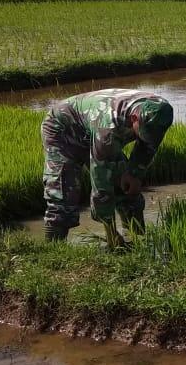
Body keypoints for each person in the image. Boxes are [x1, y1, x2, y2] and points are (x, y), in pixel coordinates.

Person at [41, 89, 173, 250]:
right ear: (134, 119)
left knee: (126, 189)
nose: (148, 137)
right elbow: (101, 183)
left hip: (93, 125)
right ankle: (53, 250)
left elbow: (148, 146)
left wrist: (134, 174)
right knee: (63, 193)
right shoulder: (108, 129)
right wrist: (110, 231)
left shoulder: (162, 112)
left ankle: (138, 241)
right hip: (63, 129)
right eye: (144, 133)